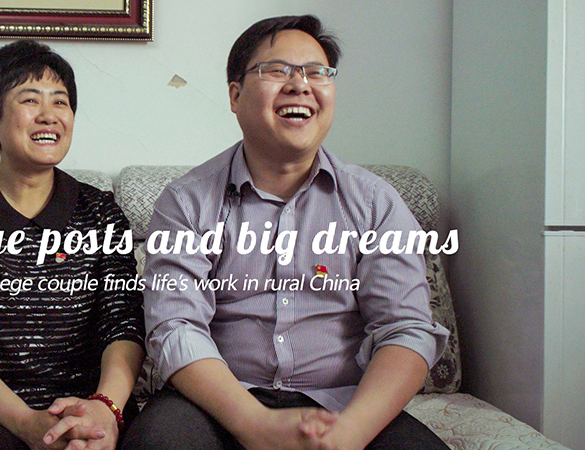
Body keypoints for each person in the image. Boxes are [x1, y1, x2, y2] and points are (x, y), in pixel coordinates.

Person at [122, 15, 450, 450]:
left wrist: (350, 434)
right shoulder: (188, 201)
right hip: (216, 403)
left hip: (344, 404)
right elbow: (175, 327)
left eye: (316, 72)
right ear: (235, 95)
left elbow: (405, 329)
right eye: (277, 70)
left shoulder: (375, 202)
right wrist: (254, 424)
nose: (300, 85)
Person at [0, 40, 145, 450]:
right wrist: (27, 424)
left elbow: (122, 324)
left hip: (86, 405)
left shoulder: (100, 213)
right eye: (30, 100)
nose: (49, 115)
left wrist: (105, 409)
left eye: (61, 102)